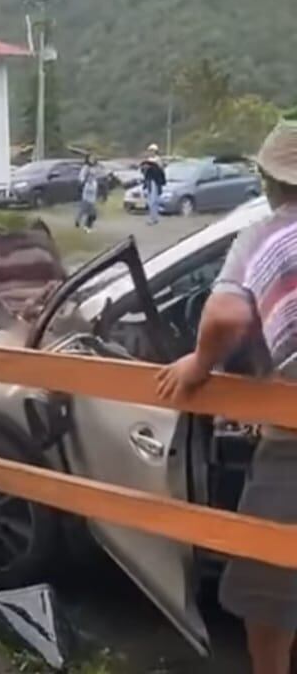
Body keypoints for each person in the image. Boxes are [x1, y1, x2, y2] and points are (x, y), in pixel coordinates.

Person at [156, 112, 297, 674]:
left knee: (267, 597)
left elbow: (225, 314)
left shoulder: (269, 234)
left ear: (268, 181)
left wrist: (198, 364)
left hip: (293, 440)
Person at [141, 143, 166, 225]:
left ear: (155, 151)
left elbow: (160, 171)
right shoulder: (147, 160)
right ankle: (153, 217)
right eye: (150, 151)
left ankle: (154, 218)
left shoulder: (158, 160)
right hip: (149, 182)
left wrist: (152, 167)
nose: (151, 152)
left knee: (154, 200)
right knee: (150, 201)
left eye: (152, 151)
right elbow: (144, 172)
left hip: (155, 182)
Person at [75, 154, 99, 232]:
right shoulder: (86, 167)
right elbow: (81, 177)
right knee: (85, 208)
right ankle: (79, 221)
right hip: (87, 189)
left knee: (92, 211)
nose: (92, 159)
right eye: (90, 158)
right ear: (87, 159)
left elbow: (97, 176)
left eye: (93, 158)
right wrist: (85, 181)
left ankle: (87, 226)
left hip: (93, 189)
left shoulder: (96, 168)